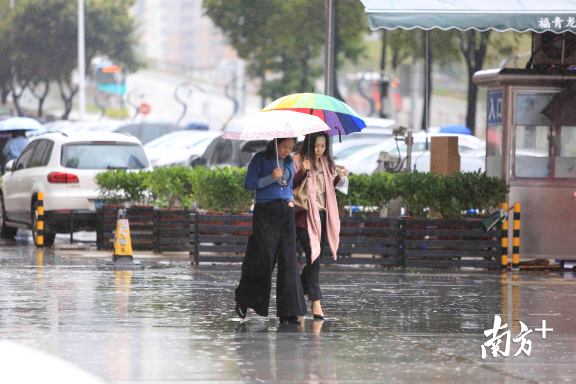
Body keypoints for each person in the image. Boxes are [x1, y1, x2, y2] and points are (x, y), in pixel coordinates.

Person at [235, 137, 307, 325]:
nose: (287, 151)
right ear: (275, 143)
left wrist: (290, 198)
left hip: (286, 212)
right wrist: (270, 178)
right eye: (284, 147)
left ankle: (288, 311)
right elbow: (248, 183)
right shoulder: (260, 159)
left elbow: (289, 185)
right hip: (265, 212)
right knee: (262, 258)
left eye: (291, 148)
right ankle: (245, 299)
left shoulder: (290, 161)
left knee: (289, 260)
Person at [293, 132, 349, 319]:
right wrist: (302, 172)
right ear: (309, 144)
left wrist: (341, 177)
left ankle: (299, 293)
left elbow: (332, 188)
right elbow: (288, 185)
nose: (319, 150)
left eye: (323, 146)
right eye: (316, 146)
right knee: (313, 257)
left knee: (315, 257)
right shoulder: (298, 160)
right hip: (304, 217)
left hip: (323, 216)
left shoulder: (327, 163)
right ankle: (315, 302)